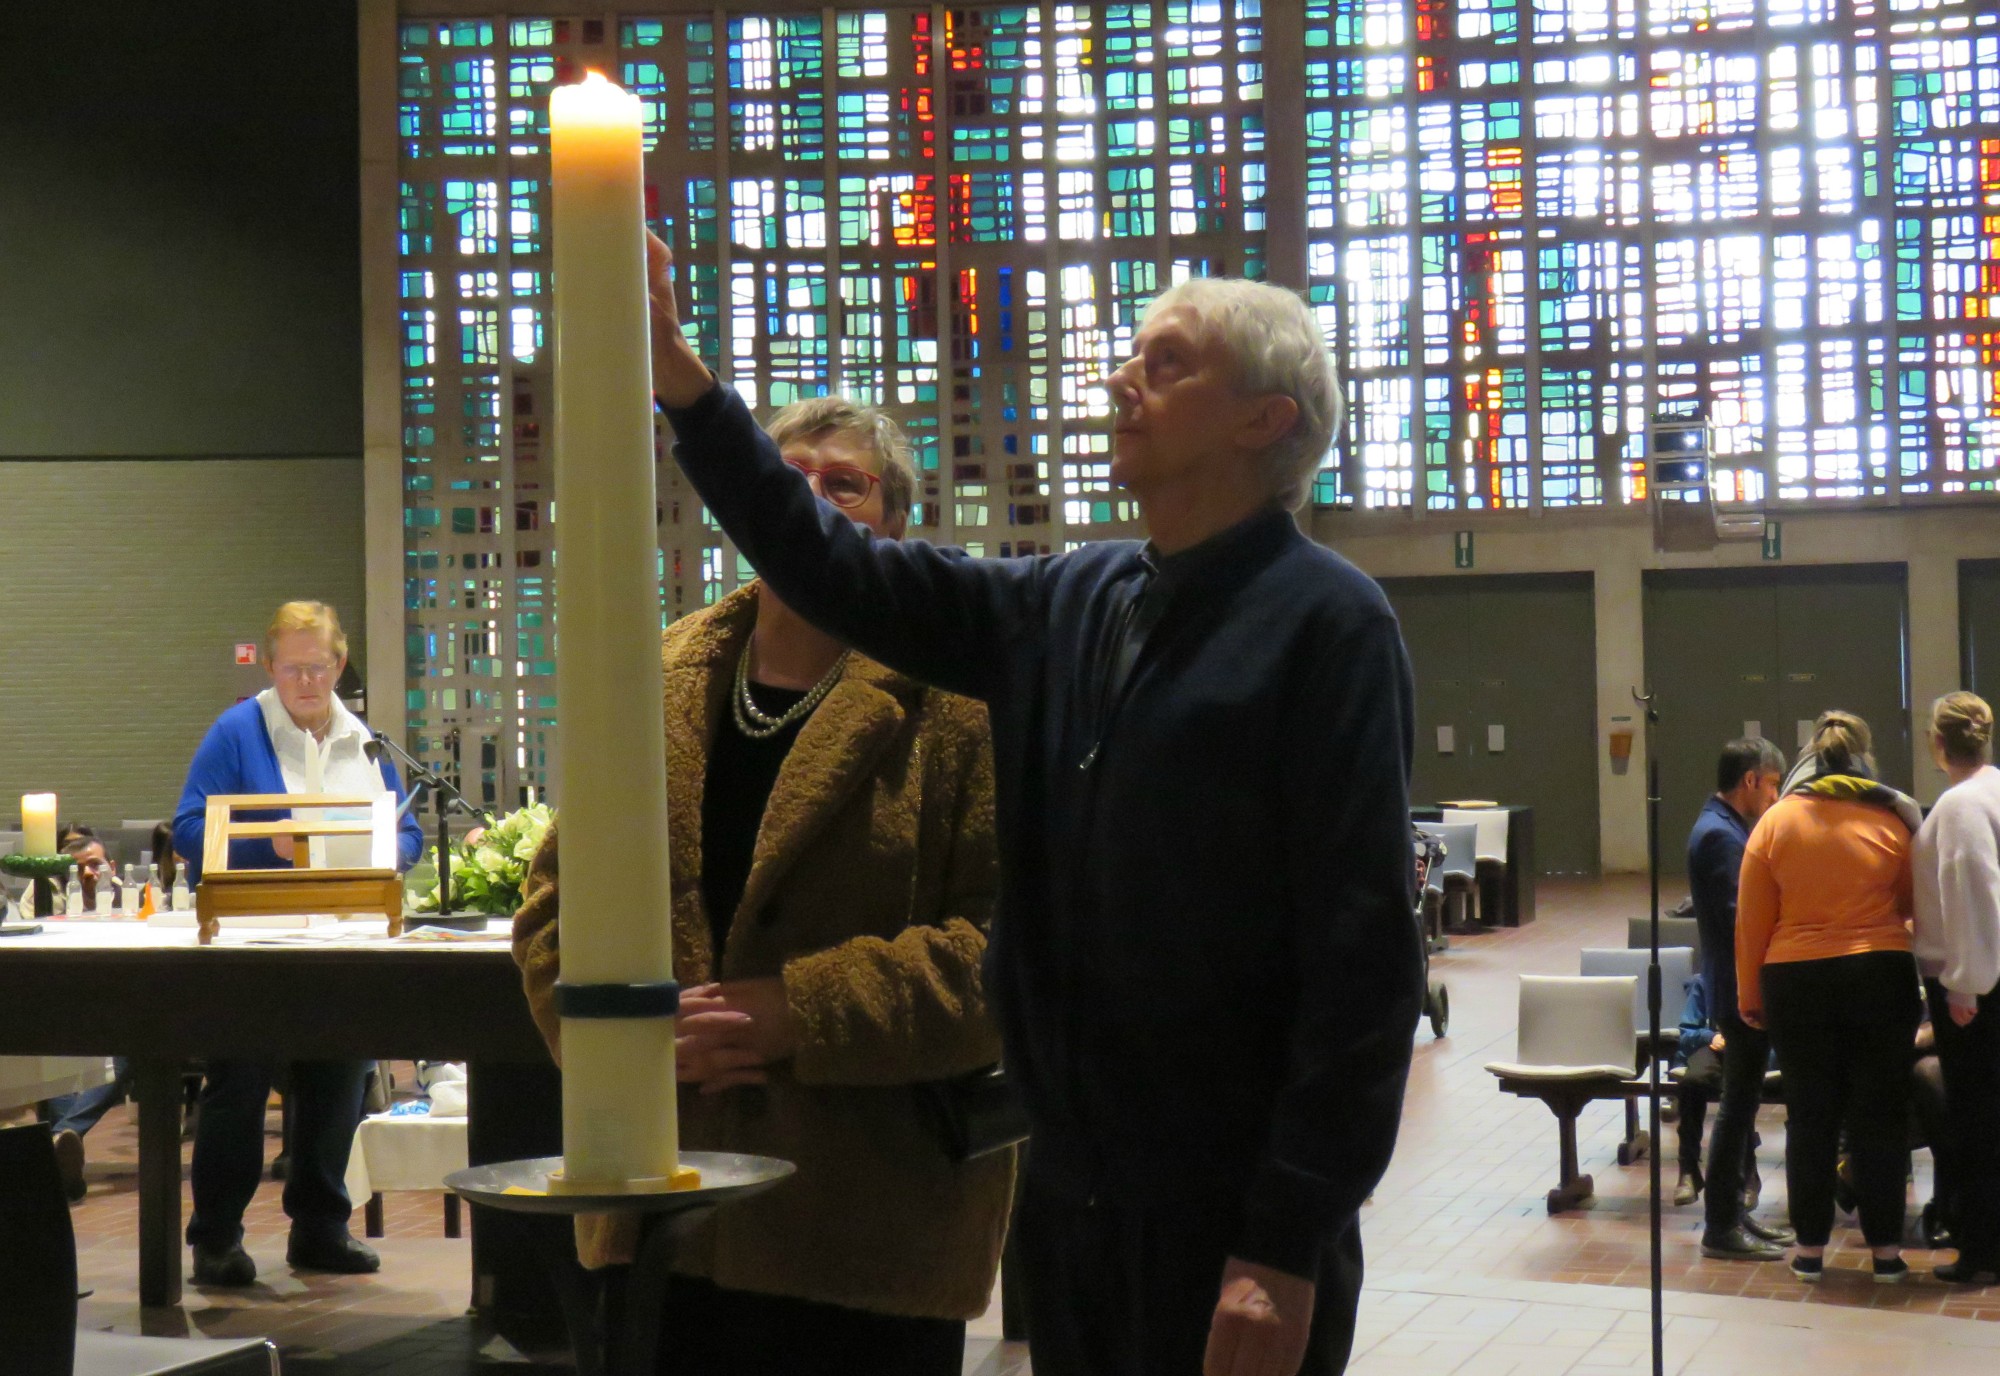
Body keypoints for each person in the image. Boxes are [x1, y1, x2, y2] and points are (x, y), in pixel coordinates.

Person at [648, 234, 1422, 1376]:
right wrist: (683, 383)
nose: (1121, 381)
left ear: (1265, 419)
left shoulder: (1327, 622)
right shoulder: (1070, 597)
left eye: (1165, 366)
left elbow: (1362, 963)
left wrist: (1282, 1242)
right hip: (1074, 1201)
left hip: (1222, 1214)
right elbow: (834, 567)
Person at [514, 396, 1010, 1376]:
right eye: (787, 479)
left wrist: (797, 1012)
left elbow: (1008, 949)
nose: (810, 501)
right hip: (661, 1198)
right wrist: (621, 1039)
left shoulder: (960, 697)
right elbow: (552, 908)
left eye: (845, 483)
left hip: (863, 1222)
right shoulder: (654, 675)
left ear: (895, 523)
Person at [171, 600, 423, 1287]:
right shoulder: (237, 732)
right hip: (252, 943)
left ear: (339, 664)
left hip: (344, 939)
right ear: (270, 665)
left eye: (319, 668)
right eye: (291, 670)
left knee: (337, 1081)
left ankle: (320, 1228)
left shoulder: (363, 738)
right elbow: (189, 828)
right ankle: (216, 1237)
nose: (306, 683)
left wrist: (388, 852)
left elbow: (408, 830)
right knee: (239, 1084)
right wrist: (269, 844)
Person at [1737, 710, 1923, 1283]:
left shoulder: (1775, 823)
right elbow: (1913, 905)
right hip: (1879, 975)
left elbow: (1753, 922)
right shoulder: (1894, 819)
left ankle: (1811, 1249)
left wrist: (1750, 996)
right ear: (1863, 759)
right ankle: (1888, 1252)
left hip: (1798, 982)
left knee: (1810, 1116)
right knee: (1880, 1117)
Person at [1683, 738, 1792, 1260]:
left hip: (1737, 985)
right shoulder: (1720, 838)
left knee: (1742, 1108)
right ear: (1750, 780)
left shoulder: (1723, 827)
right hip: (1739, 991)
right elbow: (1740, 922)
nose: (1775, 795)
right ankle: (1720, 1225)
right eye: (1772, 784)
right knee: (1736, 1109)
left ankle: (1734, 1214)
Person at [1912, 690, 2000, 1285]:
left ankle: (1984, 1251)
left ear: (1939, 744)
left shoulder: (1962, 804)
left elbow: (1972, 891)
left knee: (1977, 1121)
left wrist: (1965, 987)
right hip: (1988, 975)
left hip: (1978, 988)